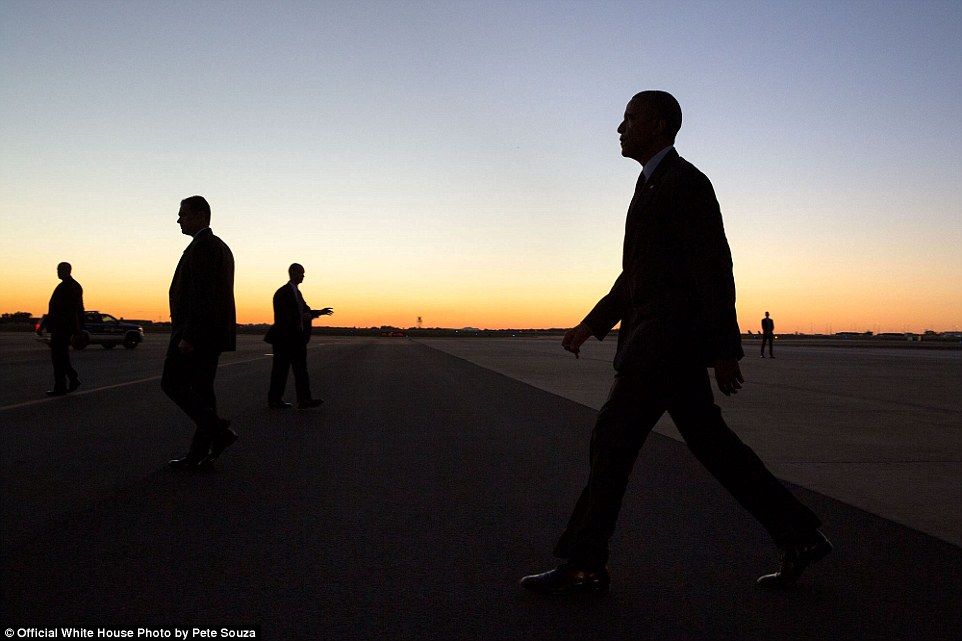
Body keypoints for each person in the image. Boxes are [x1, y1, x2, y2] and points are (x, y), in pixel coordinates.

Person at [520, 91, 830, 595]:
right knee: (712, 445)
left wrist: (725, 350)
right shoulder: (650, 185)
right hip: (663, 346)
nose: (620, 128)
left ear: (659, 125)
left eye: (630, 118)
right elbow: (635, 276)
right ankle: (799, 536)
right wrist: (591, 324)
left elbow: (714, 267)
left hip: (663, 344)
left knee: (612, 441)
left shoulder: (686, 183)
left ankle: (584, 563)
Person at [162, 196, 238, 469]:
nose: (178, 220)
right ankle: (201, 452)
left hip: (197, 334)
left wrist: (189, 335)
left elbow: (203, 295)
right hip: (209, 333)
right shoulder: (217, 246)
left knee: (172, 383)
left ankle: (219, 432)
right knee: (203, 391)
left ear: (200, 215)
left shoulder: (205, 246)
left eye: (183, 214)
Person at [265, 263, 333, 409]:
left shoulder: (297, 293)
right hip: (284, 339)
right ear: (293, 273)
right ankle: (275, 401)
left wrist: (320, 312)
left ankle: (304, 400)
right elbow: (284, 315)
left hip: (297, 339)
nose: (303, 276)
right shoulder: (283, 292)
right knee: (280, 371)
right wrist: (302, 317)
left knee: (301, 370)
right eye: (301, 273)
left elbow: (305, 311)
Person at [39, 262, 84, 396]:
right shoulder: (67, 285)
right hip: (60, 326)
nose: (58, 272)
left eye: (60, 269)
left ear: (67, 270)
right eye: (57, 269)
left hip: (63, 327)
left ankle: (63, 385)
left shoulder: (70, 286)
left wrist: (77, 329)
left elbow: (74, 309)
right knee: (61, 357)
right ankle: (69, 381)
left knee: (58, 357)